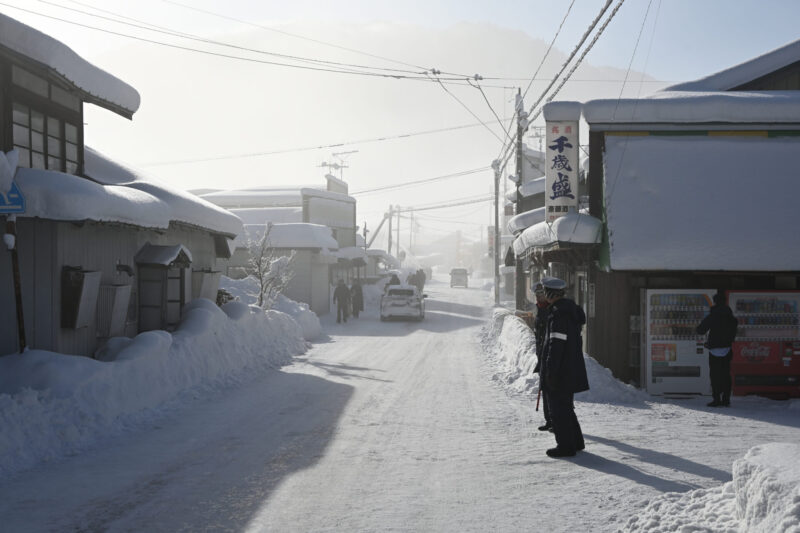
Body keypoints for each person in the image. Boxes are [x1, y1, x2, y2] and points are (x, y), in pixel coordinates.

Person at [539, 277, 589, 458]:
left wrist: (551, 372)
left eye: (545, 292)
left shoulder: (558, 315)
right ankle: (576, 442)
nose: (544, 295)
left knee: (558, 410)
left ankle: (565, 447)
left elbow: (556, 346)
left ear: (551, 294)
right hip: (570, 368)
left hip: (560, 371)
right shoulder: (569, 311)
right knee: (566, 407)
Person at [696, 292, 738, 407]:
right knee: (726, 374)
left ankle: (716, 399)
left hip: (714, 349)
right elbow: (734, 330)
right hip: (727, 349)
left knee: (715, 375)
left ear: (715, 302)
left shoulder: (713, 316)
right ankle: (726, 399)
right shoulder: (731, 317)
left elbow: (700, 330)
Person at [531, 280, 553, 433]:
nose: (539, 297)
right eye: (537, 294)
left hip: (550, 357)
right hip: (542, 357)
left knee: (552, 391)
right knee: (545, 389)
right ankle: (549, 420)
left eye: (541, 294)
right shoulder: (540, 310)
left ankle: (554, 420)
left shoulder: (551, 311)